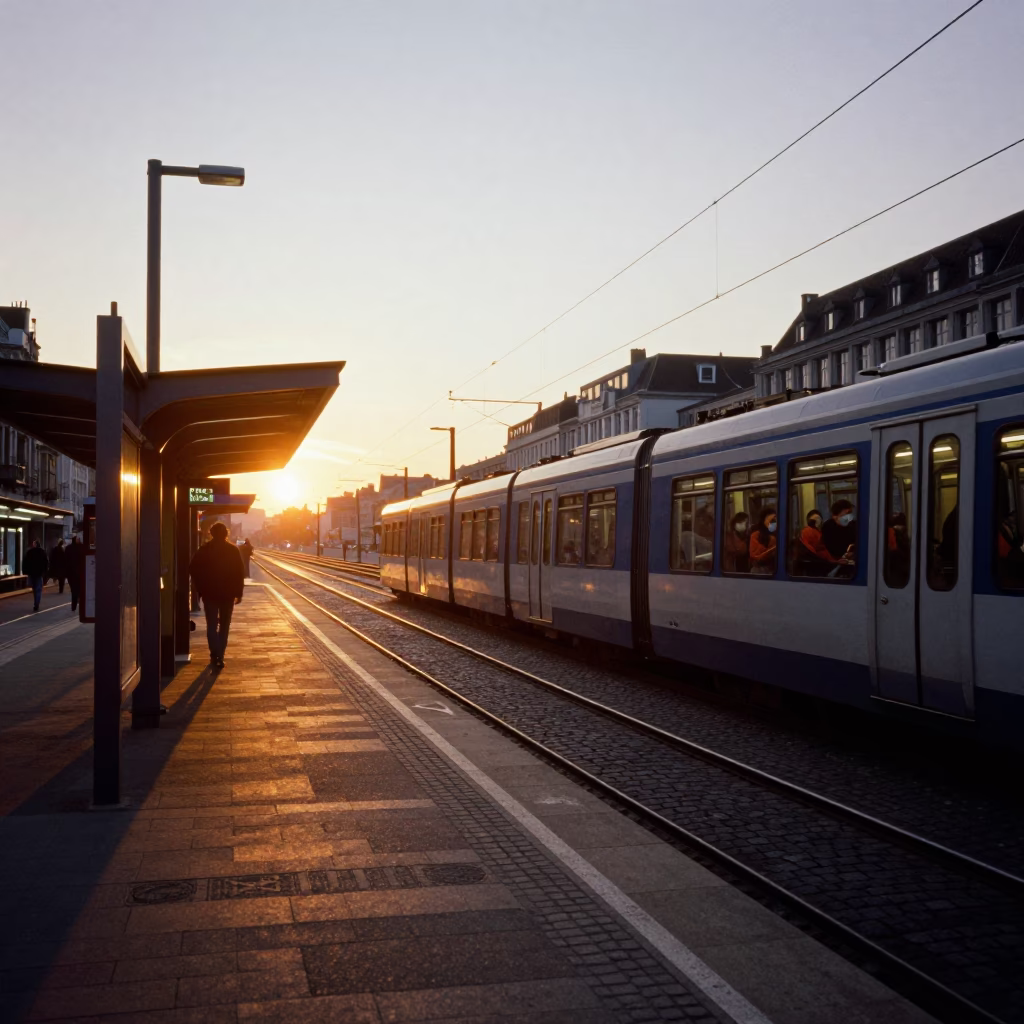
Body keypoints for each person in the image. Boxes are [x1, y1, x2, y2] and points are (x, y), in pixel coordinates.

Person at [189, 522, 245, 669]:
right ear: (226, 534)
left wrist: (200, 588)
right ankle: (220, 654)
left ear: (211, 533)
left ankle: (214, 654)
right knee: (225, 625)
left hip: (210, 594)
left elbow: (193, 569)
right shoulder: (233, 550)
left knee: (211, 625)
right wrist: (238, 593)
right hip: (228, 595)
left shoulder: (205, 550)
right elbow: (240, 573)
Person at [821, 499, 857, 563]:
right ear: (835, 516)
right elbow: (823, 549)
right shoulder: (827, 527)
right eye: (846, 514)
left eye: (850, 513)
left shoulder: (854, 525)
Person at [748, 507, 778, 576]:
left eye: (775, 520)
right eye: (771, 520)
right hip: (760, 571)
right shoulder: (756, 535)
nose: (773, 523)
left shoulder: (778, 534)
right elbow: (756, 555)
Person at [23, 540, 48, 612]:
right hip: (39, 573)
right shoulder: (42, 552)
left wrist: (26, 572)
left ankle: (35, 603)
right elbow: (46, 562)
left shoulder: (30, 552)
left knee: (34, 589)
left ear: (34, 544)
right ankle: (37, 603)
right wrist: (44, 572)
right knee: (38, 589)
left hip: (31, 573)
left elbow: (25, 562)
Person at [66, 534, 84, 613]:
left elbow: (65, 560)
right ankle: (80, 603)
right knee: (80, 589)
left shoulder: (68, 548)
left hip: (70, 572)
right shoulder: (82, 547)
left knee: (73, 590)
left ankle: (73, 606)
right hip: (80, 572)